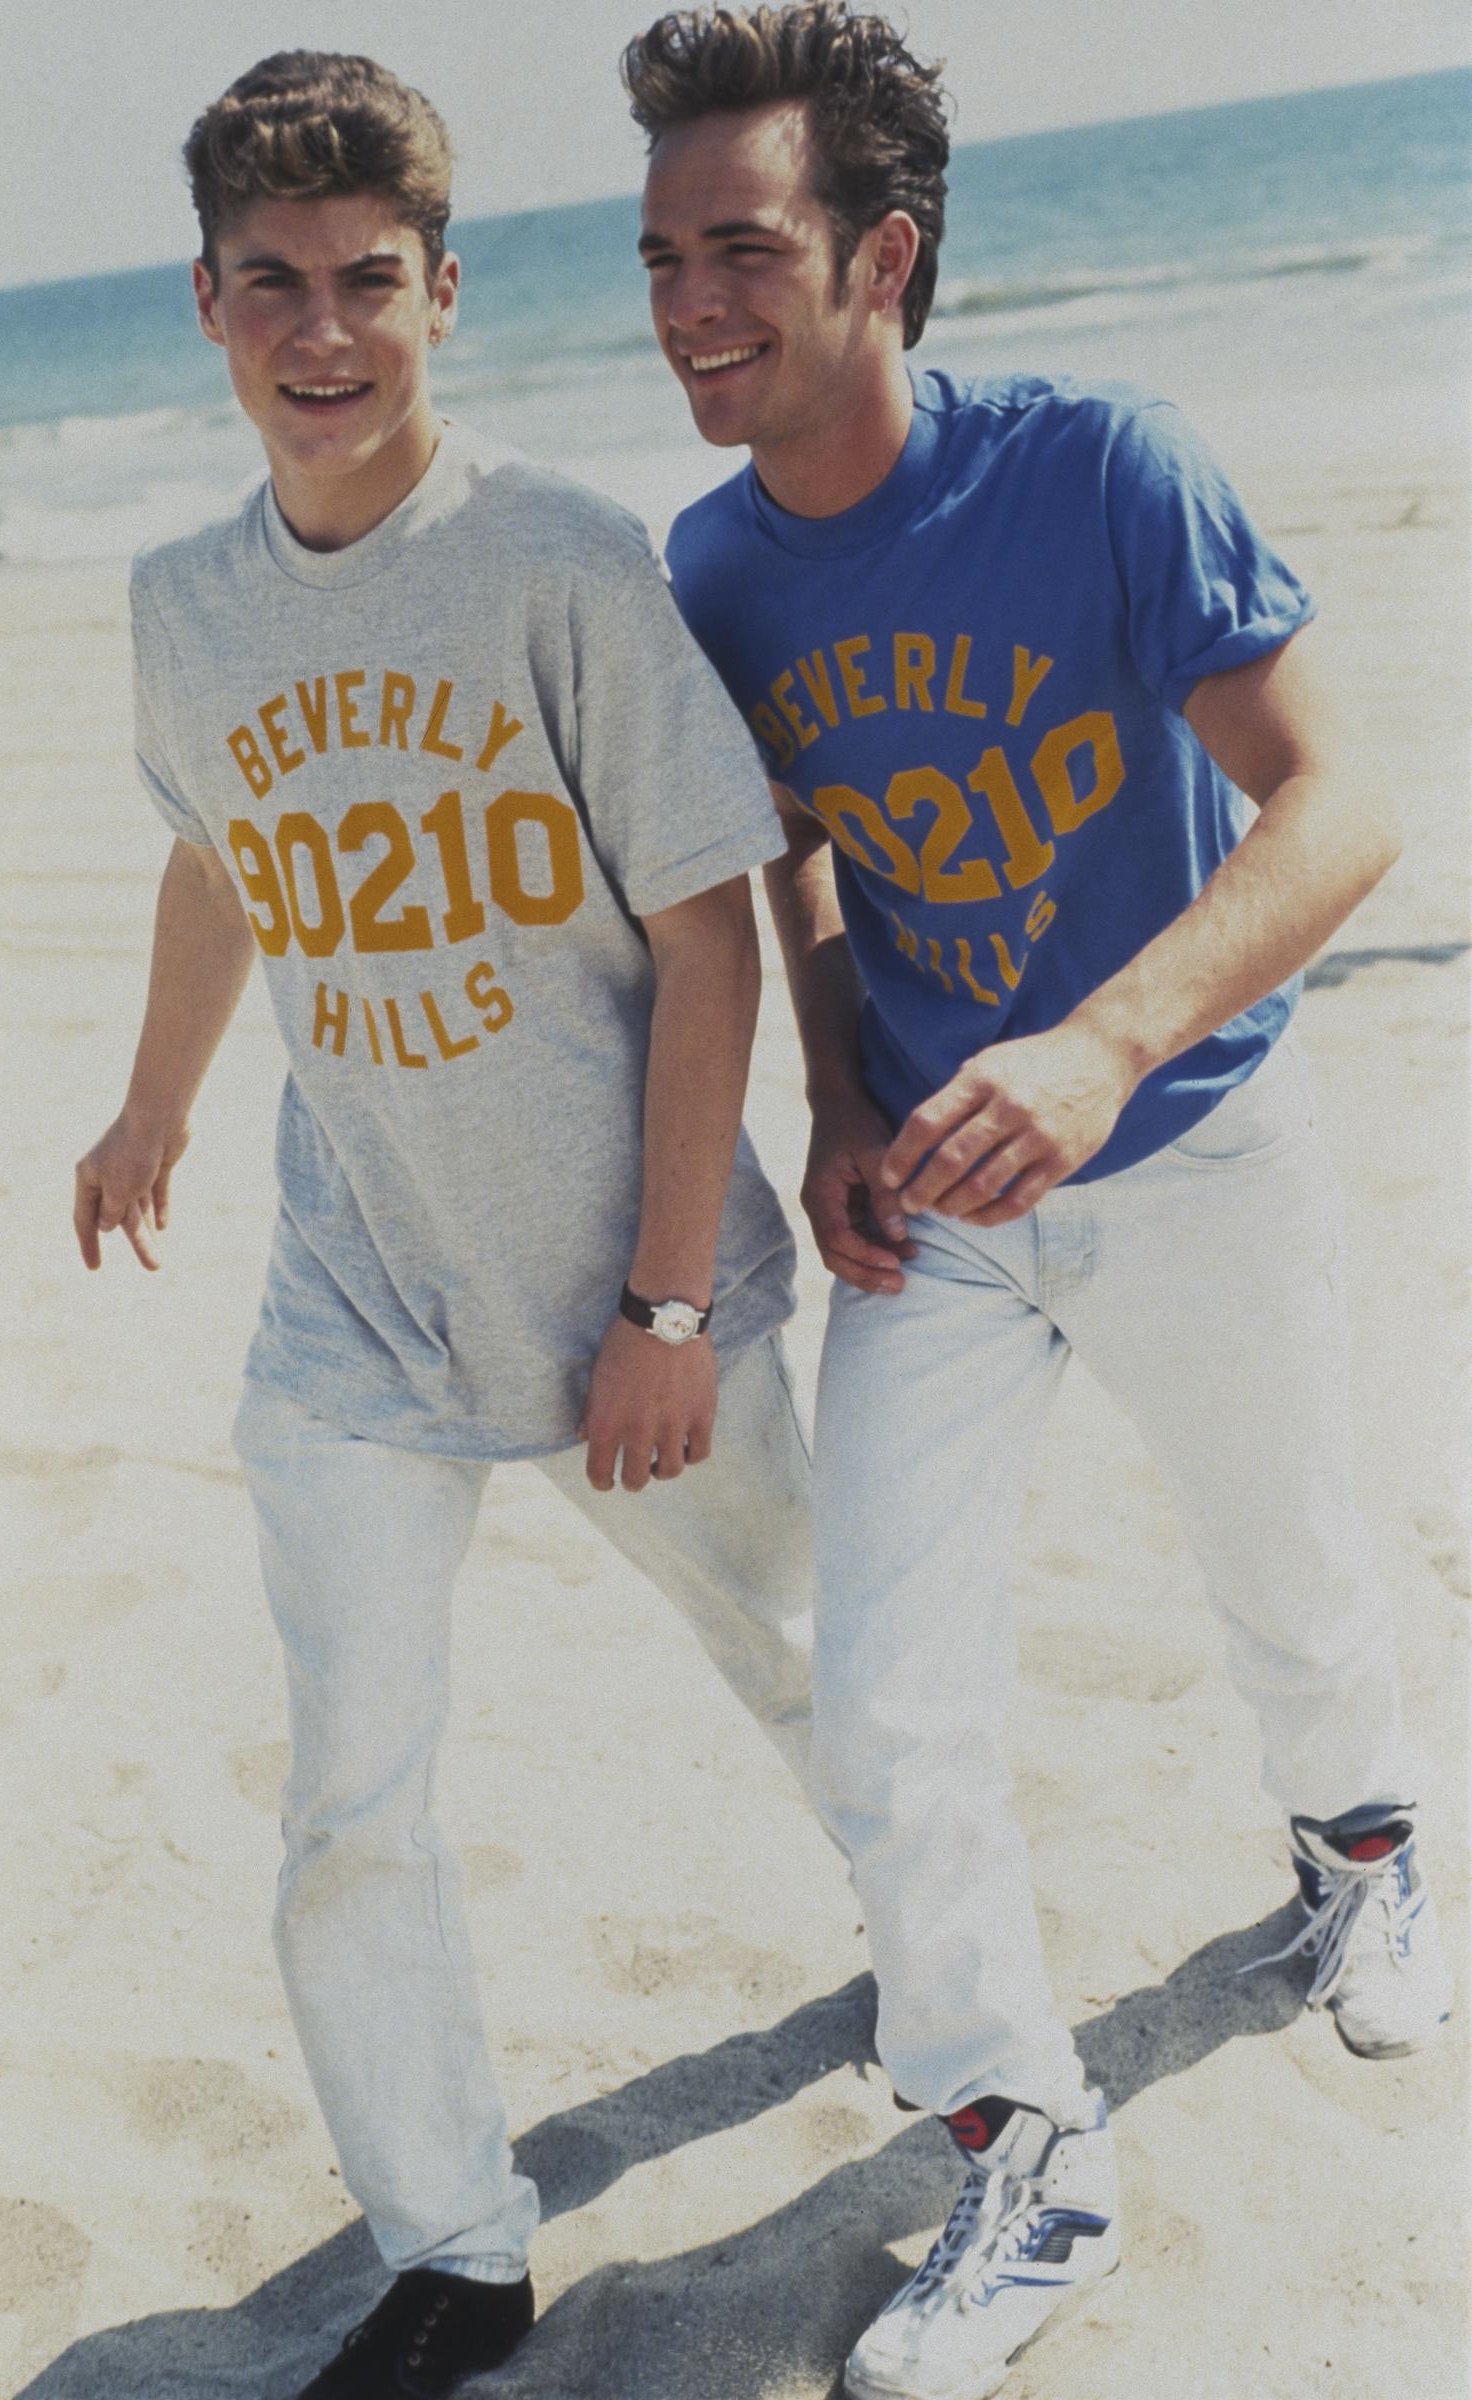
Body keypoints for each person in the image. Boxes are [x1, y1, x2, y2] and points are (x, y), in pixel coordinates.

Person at [622, 7, 1453, 2397]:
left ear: (880, 258)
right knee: (883, 1700)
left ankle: (1364, 1861)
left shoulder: (1102, 469)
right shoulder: (711, 567)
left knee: (1286, 1575)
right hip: (942, 1214)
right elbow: (776, 864)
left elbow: (1336, 808)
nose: (689, 302)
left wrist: (1103, 1039)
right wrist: (835, 1098)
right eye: (664, 255)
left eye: (743, 251)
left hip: (1197, 1144)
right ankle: (1024, 2147)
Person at [72, 50, 816, 2400]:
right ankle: (454, 2245)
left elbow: (708, 938)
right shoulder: (178, 601)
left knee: (821, 1679)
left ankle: (973, 2022)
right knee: (344, 1803)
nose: (322, 332)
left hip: (632, 1292)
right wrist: (151, 1102)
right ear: (204, 304)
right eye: (271, 286)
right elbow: (215, 853)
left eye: (366, 282)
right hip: (353, 1310)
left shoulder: (561, 560)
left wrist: (664, 1302)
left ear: (444, 291)